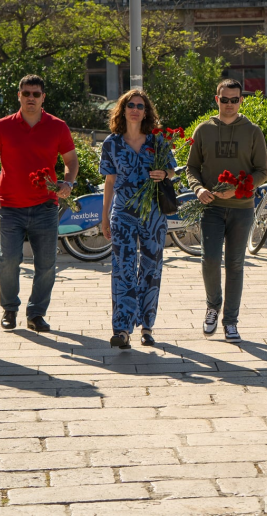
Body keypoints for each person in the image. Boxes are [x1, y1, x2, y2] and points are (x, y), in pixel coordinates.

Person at [0, 75, 78, 333]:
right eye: (26, 93)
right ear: (19, 96)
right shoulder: (2, 126)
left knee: (46, 264)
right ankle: (9, 309)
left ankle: (36, 313)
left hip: (45, 206)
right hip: (9, 207)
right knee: (7, 260)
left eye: (36, 94)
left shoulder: (57, 126)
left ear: (43, 97)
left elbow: (72, 161)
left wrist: (67, 184)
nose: (31, 98)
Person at [185, 79, 267, 343]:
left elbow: (263, 172)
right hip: (211, 208)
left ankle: (230, 321)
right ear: (216, 99)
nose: (230, 104)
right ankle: (213, 305)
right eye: (225, 99)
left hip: (242, 209)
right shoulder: (204, 130)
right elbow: (192, 168)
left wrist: (239, 190)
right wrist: (198, 189)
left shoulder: (253, 131)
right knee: (209, 260)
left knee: (235, 264)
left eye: (235, 99)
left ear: (241, 100)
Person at [100, 90, 177, 349]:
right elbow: (109, 182)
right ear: (122, 110)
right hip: (122, 211)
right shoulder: (111, 143)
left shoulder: (157, 142)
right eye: (130, 105)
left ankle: (147, 326)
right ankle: (121, 328)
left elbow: (172, 170)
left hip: (153, 211)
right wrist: (105, 217)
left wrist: (162, 173)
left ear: (146, 112)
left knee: (151, 267)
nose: (135, 109)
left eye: (140, 106)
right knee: (122, 267)